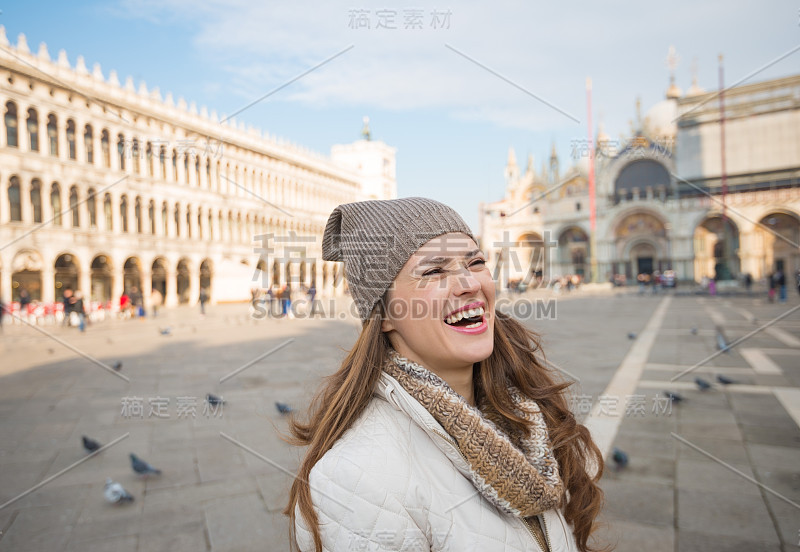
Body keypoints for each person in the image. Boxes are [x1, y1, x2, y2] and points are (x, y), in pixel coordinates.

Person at [286, 198, 604, 552]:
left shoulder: (525, 415)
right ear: (385, 315)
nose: (469, 283)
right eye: (433, 271)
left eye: (476, 262)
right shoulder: (357, 479)